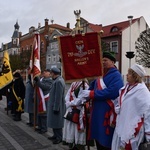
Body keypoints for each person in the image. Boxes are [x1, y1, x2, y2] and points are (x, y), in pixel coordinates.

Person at [80, 51, 124, 150]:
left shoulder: (116, 75)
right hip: (97, 112)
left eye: (106, 60)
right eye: (102, 60)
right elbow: (92, 87)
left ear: (113, 62)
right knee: (98, 137)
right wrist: (85, 94)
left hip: (107, 112)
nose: (103, 62)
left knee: (105, 139)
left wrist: (92, 94)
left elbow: (112, 92)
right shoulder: (100, 75)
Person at [112, 64, 150, 150]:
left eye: (129, 73)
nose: (126, 75)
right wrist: (118, 107)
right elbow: (120, 101)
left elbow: (147, 112)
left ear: (135, 76)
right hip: (122, 123)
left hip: (134, 127)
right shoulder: (126, 88)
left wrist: (148, 133)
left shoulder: (142, 91)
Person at [63, 80, 89, 150]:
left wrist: (70, 103)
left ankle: (79, 146)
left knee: (79, 130)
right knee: (71, 129)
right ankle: (74, 145)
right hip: (71, 109)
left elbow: (81, 99)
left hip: (79, 110)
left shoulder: (84, 85)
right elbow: (68, 95)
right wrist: (68, 102)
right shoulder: (73, 83)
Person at [47, 67, 66, 144]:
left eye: (51, 73)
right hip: (54, 105)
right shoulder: (56, 80)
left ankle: (59, 137)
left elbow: (58, 96)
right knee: (54, 121)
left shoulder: (58, 82)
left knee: (57, 122)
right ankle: (55, 135)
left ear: (53, 73)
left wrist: (56, 108)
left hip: (57, 106)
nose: (50, 74)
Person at [34, 69, 52, 134]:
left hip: (45, 99)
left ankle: (44, 128)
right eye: (44, 71)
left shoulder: (50, 81)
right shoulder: (42, 79)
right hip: (40, 99)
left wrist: (38, 81)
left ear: (49, 74)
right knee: (39, 114)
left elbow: (44, 87)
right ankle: (40, 127)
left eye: (46, 72)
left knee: (44, 114)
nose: (44, 72)